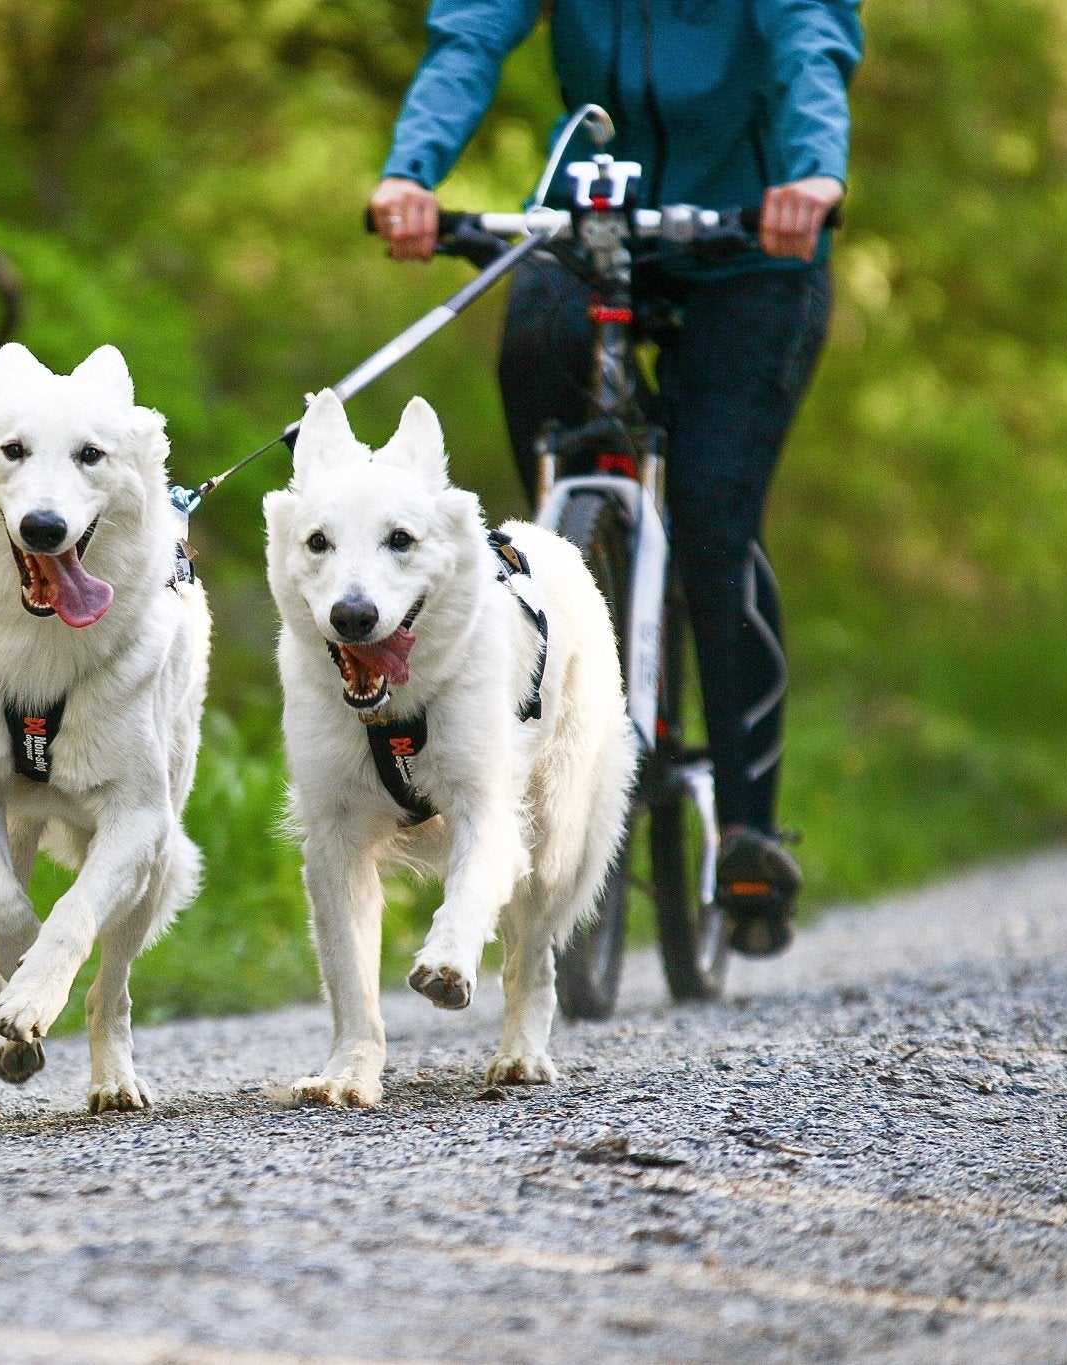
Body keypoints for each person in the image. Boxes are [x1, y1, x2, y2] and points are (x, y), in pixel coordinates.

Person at [367, 0, 862, 957]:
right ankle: (585, 554)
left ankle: (748, 833)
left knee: (717, 516)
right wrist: (410, 172)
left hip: (756, 239)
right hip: (588, 224)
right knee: (538, 382)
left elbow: (810, 40)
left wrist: (813, 172)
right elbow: (469, 35)